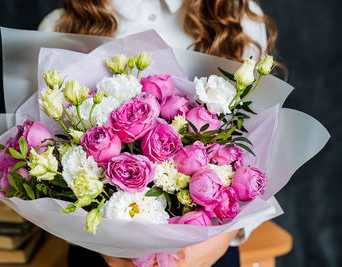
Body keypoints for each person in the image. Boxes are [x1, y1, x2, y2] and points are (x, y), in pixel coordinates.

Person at [38, 1, 278, 266]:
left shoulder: (236, 16)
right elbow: (43, 169)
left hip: (208, 252)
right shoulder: (60, 25)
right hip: (102, 256)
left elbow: (255, 155)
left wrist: (216, 243)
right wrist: (108, 248)